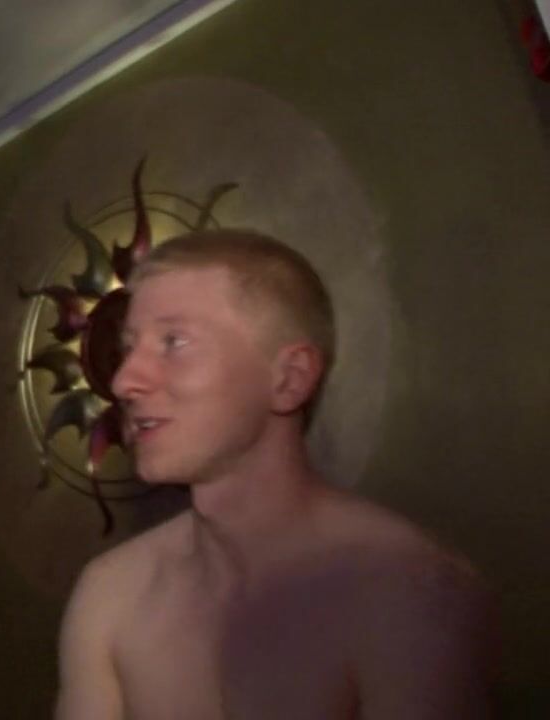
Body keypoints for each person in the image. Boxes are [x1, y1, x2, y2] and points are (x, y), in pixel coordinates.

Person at [55, 229, 495, 719]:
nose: (123, 381)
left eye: (174, 342)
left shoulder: (412, 591)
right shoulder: (112, 594)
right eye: (129, 348)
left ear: (289, 378)